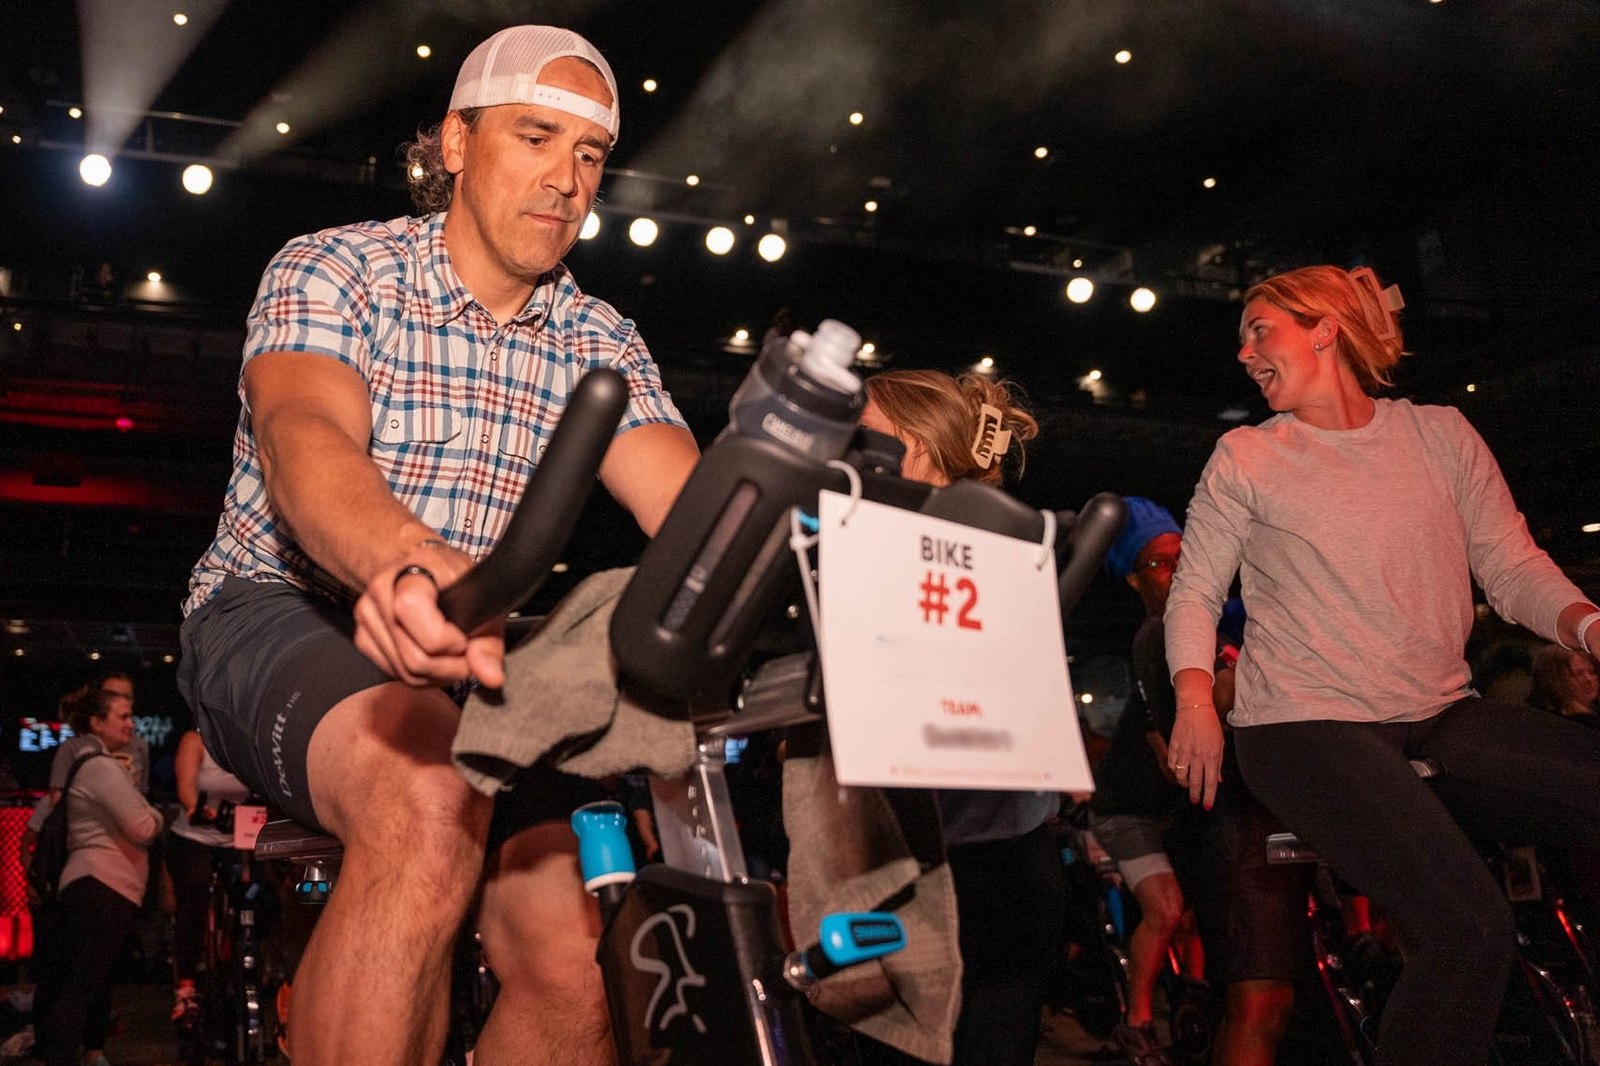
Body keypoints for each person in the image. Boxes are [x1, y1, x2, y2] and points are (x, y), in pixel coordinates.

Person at [176, 25, 699, 1066]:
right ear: (455, 143)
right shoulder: (336, 268)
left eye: (589, 156)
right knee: (425, 799)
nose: (566, 179)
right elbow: (303, 437)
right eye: (536, 137)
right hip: (278, 608)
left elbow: (689, 508)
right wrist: (401, 557)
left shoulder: (598, 336)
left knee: (584, 956)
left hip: (473, 651)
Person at [1164, 263, 1600, 1066]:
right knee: (1466, 929)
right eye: (1242, 340)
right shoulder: (1248, 456)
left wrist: (1587, 625)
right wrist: (1195, 698)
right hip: (1303, 724)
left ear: (1324, 328)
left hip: (1437, 708)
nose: (1246, 353)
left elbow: (1509, 565)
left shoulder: (1440, 433)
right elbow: (1193, 591)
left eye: (1261, 331)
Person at [856, 368, 1058, 1066]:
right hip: (981, 858)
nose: (844, 452)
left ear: (913, 447)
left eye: (864, 437)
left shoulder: (942, 548)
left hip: (969, 868)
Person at [35, 684, 165, 1066]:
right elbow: (142, 825)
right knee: (80, 987)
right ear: (96, 722)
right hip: (100, 887)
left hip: (97, 887)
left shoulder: (101, 764)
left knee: (88, 984)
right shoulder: (100, 766)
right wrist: (157, 815)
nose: (131, 725)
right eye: (123, 717)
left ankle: (85, 1055)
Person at [166, 729, 253, 1026]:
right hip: (195, 836)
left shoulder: (247, 741)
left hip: (237, 838)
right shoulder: (195, 741)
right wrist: (194, 807)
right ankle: (186, 986)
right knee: (195, 891)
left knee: (256, 894)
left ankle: (247, 968)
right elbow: (186, 788)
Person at [1528, 642, 1600, 725]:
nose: (1589, 679)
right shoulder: (1551, 723)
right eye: (1578, 674)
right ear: (1555, 680)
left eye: (1591, 672)